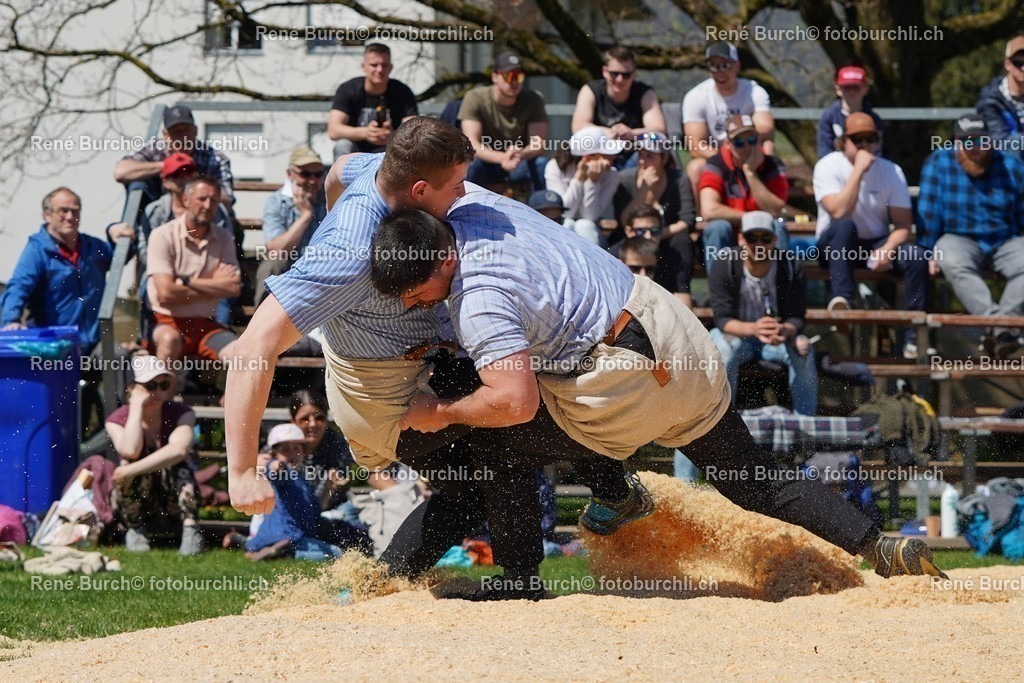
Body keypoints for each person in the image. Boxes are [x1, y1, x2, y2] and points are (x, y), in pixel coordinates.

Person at [368, 200, 949, 582]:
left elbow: (512, 401)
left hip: (621, 379)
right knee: (754, 479)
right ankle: (882, 547)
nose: (419, 306)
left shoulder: (479, 298)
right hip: (673, 331)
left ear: (442, 258)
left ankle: (521, 580)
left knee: (501, 439)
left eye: (419, 293)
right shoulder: (484, 210)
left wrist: (440, 410)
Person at [228, 118, 647, 601]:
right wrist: (241, 471)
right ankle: (571, 534)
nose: (465, 193)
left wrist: (330, 205)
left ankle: (378, 590)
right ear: (421, 188)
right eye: (455, 185)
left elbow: (339, 169)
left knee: (476, 475)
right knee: (510, 422)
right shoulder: (346, 253)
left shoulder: (380, 174)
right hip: (382, 395)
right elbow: (252, 348)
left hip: (420, 370)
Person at [813, 113, 928, 359]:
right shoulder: (827, 166)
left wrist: (887, 248)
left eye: (870, 138)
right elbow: (839, 211)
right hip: (835, 244)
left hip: (875, 244)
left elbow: (903, 225)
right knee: (844, 226)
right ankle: (843, 301)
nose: (865, 144)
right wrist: (859, 171)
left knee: (916, 256)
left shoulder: (891, 171)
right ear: (844, 141)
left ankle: (912, 334)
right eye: (858, 139)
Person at [917, 114, 1024, 358]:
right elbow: (928, 212)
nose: (975, 148)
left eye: (982, 142)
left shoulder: (1012, 165)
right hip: (957, 238)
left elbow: (1021, 212)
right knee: (950, 257)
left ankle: (998, 330)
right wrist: (928, 250)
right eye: (968, 142)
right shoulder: (938, 162)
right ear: (956, 142)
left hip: (1004, 239)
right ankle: (1003, 330)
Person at [708, 211, 817, 415]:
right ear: (741, 239)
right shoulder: (725, 263)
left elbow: (797, 317)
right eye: (752, 237)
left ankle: (805, 429)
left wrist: (786, 330)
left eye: (765, 238)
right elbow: (722, 319)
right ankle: (721, 423)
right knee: (721, 350)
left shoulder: (791, 265)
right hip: (738, 336)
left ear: (775, 240)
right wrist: (754, 329)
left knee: (804, 349)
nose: (759, 244)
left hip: (777, 340)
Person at [106, 355, 201, 555]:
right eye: (150, 385)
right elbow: (130, 450)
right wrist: (136, 407)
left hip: (172, 502)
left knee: (179, 465)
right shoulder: (116, 420)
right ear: (132, 388)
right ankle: (135, 529)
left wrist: (128, 470)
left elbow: (179, 450)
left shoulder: (182, 413)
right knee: (130, 460)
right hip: (138, 504)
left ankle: (191, 530)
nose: (157, 391)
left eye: (163, 384)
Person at [2, 187, 112, 353]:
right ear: (47, 215)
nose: (70, 217)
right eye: (63, 211)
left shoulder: (93, 247)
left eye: (75, 211)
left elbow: (121, 253)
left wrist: (114, 229)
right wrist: (11, 320)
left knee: (121, 360)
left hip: (93, 343)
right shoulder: (37, 251)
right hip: (55, 345)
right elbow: (19, 286)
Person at [146, 177, 241, 363]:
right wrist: (213, 288)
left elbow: (233, 288)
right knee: (168, 341)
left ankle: (229, 395)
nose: (208, 205)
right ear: (185, 200)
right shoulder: (162, 235)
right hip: (167, 322)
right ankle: (163, 392)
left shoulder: (224, 237)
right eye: (202, 198)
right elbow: (166, 292)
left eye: (214, 200)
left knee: (244, 356)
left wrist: (187, 281)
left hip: (207, 326)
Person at [137, 153, 235, 331]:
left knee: (224, 302)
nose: (183, 179)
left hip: (200, 274)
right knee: (148, 288)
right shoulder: (155, 211)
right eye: (177, 175)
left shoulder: (215, 209)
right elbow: (146, 253)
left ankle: (219, 328)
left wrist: (186, 281)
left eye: (188, 173)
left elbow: (228, 266)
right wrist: (212, 285)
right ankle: (147, 337)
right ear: (166, 181)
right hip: (160, 274)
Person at [245, 423, 370, 561]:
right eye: (285, 449)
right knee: (335, 553)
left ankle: (276, 552)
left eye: (296, 449)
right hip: (286, 534)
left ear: (304, 453)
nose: (292, 453)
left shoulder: (302, 479)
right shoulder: (283, 473)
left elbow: (315, 507)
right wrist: (275, 465)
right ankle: (285, 554)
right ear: (274, 454)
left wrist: (329, 486)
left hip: (291, 536)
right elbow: (273, 472)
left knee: (333, 551)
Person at [682, 42, 775, 207]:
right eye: (713, 66)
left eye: (725, 65)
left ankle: (769, 209)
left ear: (736, 66)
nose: (720, 72)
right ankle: (701, 221)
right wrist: (726, 158)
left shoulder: (754, 92)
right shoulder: (696, 97)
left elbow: (766, 129)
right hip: (715, 156)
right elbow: (695, 145)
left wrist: (741, 145)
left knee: (768, 148)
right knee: (695, 168)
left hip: (748, 150)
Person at [698, 114, 796, 270]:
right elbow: (709, 210)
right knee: (717, 227)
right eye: (739, 142)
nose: (747, 147)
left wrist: (750, 173)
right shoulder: (716, 163)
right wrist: (751, 218)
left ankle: (782, 288)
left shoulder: (772, 164)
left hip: (762, 236)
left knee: (778, 226)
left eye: (751, 140)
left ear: (759, 140)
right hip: (731, 236)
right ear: (728, 144)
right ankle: (720, 292)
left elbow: (776, 210)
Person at [612, 132, 696, 304]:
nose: (643, 161)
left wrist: (656, 234)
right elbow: (624, 220)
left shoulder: (678, 179)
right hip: (633, 239)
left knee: (681, 242)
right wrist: (645, 189)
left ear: (664, 158)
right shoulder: (625, 178)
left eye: (650, 156)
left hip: (666, 240)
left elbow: (687, 220)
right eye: (640, 155)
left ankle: (682, 297)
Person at [459, 51, 549, 192]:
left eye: (518, 77)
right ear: (495, 77)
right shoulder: (475, 97)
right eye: (509, 76)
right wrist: (502, 158)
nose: (514, 82)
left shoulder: (534, 99)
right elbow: (472, 144)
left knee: (542, 165)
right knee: (470, 166)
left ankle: (544, 211)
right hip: (486, 161)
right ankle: (463, 210)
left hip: (519, 161)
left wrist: (520, 154)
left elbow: (538, 144)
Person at [114, 105, 234, 208]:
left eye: (187, 130)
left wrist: (196, 186)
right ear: (165, 135)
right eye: (176, 131)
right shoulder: (155, 148)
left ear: (196, 131)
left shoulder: (215, 158)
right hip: (161, 220)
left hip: (204, 222)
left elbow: (228, 201)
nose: (183, 136)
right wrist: (167, 166)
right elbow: (120, 172)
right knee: (138, 185)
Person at [569, 45, 667, 168]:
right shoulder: (591, 90)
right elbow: (578, 127)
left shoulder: (645, 93)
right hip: (599, 157)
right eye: (614, 74)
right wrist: (608, 133)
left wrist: (631, 133)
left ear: (634, 74)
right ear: (605, 71)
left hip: (634, 159)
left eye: (626, 75)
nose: (620, 80)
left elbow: (659, 129)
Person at [255, 146, 328, 305]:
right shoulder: (276, 202)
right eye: (306, 174)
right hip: (287, 271)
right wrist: (305, 216)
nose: (313, 180)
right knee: (272, 264)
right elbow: (276, 249)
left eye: (318, 174)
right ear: (290, 174)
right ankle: (261, 325)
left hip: (321, 269)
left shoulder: (330, 198)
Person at [327, 43, 419, 158]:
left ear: (390, 67)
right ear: (363, 67)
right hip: (356, 149)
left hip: (391, 150)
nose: (379, 70)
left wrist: (393, 135)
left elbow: (414, 130)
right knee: (342, 145)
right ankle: (343, 176)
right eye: (374, 65)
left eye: (384, 65)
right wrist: (366, 132)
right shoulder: (348, 89)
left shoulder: (402, 92)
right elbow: (334, 130)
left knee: (411, 149)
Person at [543, 126, 622, 245]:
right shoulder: (554, 167)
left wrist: (593, 182)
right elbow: (564, 212)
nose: (613, 157)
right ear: (587, 158)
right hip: (564, 225)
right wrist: (579, 179)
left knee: (584, 225)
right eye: (606, 154)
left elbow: (591, 215)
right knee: (567, 223)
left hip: (592, 230)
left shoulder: (612, 175)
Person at [608, 206, 694, 308]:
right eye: (641, 231)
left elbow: (684, 305)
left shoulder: (673, 256)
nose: (648, 236)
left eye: (655, 231)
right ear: (629, 231)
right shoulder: (612, 257)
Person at [817, 66, 884, 159]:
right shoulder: (829, 117)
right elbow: (824, 151)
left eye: (856, 87)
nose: (852, 91)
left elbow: (878, 151)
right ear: (838, 89)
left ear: (865, 88)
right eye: (847, 87)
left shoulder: (874, 119)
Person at [976, 34, 1024, 160]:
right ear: (1007, 64)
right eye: (1018, 63)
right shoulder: (990, 100)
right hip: (1007, 170)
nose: (1023, 68)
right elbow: (1000, 142)